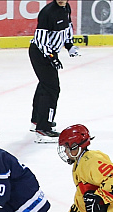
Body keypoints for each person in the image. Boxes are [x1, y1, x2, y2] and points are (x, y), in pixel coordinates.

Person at [29, 0, 80, 143]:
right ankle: (43, 129)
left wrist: (69, 45)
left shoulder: (66, 8)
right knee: (52, 88)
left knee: (45, 85)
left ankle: (38, 121)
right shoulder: (47, 12)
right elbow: (41, 40)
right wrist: (51, 57)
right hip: (41, 53)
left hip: (49, 53)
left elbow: (67, 28)